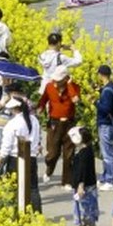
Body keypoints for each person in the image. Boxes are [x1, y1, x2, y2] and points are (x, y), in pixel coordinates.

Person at [39, 54, 82, 185]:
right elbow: (43, 100)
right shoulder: (50, 86)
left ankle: (67, 182)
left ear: (66, 78)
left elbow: (76, 100)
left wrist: (69, 85)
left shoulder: (74, 87)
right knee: (52, 152)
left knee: (68, 154)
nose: (56, 82)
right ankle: (49, 170)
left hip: (69, 123)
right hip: (54, 122)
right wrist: (40, 108)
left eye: (59, 80)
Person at [65, 125, 98, 226]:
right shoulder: (81, 149)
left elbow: (84, 170)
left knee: (87, 214)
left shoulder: (85, 152)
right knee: (79, 213)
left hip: (85, 186)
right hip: (79, 185)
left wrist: (80, 185)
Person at [93, 64, 113, 189]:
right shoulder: (112, 86)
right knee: (106, 152)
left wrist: (94, 102)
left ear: (101, 75)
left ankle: (110, 180)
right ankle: (106, 177)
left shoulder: (107, 91)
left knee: (108, 153)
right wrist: (100, 90)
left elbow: (105, 108)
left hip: (106, 124)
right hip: (108, 124)